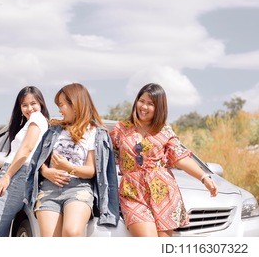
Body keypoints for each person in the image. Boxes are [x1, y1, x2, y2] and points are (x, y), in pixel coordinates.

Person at [110, 83, 218, 237]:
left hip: (163, 193)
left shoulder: (165, 131)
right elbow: (104, 157)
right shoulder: (121, 129)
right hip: (132, 192)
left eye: (150, 104)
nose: (144, 107)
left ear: (159, 107)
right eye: (141, 101)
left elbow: (180, 157)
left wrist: (204, 177)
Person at [24, 83, 119, 237]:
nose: (60, 110)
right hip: (49, 189)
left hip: (79, 188)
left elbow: (91, 171)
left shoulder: (95, 133)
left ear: (75, 104)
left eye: (62, 105)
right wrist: (46, 171)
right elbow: (39, 162)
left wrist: (67, 167)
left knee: (72, 232)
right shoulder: (53, 131)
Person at [0, 86, 50, 237]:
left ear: (41, 103)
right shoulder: (29, 123)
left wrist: (7, 176)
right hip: (15, 173)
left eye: (33, 103)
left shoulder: (37, 118)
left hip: (17, 175)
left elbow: (27, 149)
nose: (29, 108)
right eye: (24, 105)